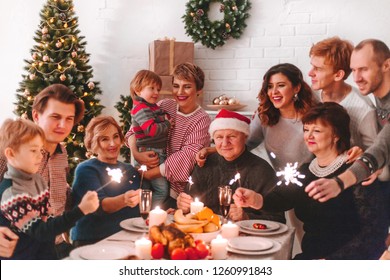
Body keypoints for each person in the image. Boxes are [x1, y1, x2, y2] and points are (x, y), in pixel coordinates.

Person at [234, 102, 388, 259]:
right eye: (306, 130)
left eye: (317, 131)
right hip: (310, 257)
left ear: (336, 135)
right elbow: (281, 199)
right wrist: (255, 199)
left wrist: (329, 262)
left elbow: (374, 233)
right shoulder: (306, 170)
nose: (309, 136)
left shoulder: (355, 172)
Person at [197, 63, 317, 244]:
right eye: (270, 86)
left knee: (311, 239)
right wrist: (212, 149)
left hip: (312, 184)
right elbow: (244, 141)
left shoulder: (313, 116)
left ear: (297, 87)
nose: (274, 91)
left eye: (281, 85)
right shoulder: (265, 116)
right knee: (292, 239)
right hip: (284, 189)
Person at [0, 83, 85, 258]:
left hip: (54, 246)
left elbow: (61, 197)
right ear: (36, 116)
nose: (63, 125)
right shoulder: (10, 154)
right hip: (18, 251)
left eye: (69, 118)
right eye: (55, 116)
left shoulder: (63, 153)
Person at [126, 62, 211, 210]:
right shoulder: (165, 105)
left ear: (199, 90)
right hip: (147, 170)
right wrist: (136, 154)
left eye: (187, 86)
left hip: (176, 192)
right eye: (176, 86)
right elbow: (134, 130)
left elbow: (187, 156)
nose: (180, 92)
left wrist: (148, 175)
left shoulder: (202, 120)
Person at [177, 109, 285, 223]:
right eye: (219, 137)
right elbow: (188, 204)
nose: (224, 143)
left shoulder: (262, 170)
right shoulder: (204, 164)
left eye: (232, 136)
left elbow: (278, 219)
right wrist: (183, 205)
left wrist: (247, 217)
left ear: (245, 137)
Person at [71, 116, 141, 247]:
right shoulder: (86, 169)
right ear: (93, 143)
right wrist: (124, 200)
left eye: (115, 137)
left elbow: (141, 208)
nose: (113, 144)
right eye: (104, 139)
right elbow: (99, 206)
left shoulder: (130, 170)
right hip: (93, 240)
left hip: (126, 239)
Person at [309, 36, 378, 151]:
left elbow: (376, 153)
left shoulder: (364, 109)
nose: (310, 73)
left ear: (338, 75)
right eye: (312, 66)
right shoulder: (311, 95)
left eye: (318, 69)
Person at [129, 70, 172, 208]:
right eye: (151, 88)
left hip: (153, 150)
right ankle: (148, 213)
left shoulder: (150, 106)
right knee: (161, 190)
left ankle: (143, 213)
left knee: (144, 188)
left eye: (158, 89)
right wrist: (167, 124)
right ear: (138, 90)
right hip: (151, 152)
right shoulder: (141, 108)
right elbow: (151, 130)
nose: (156, 92)